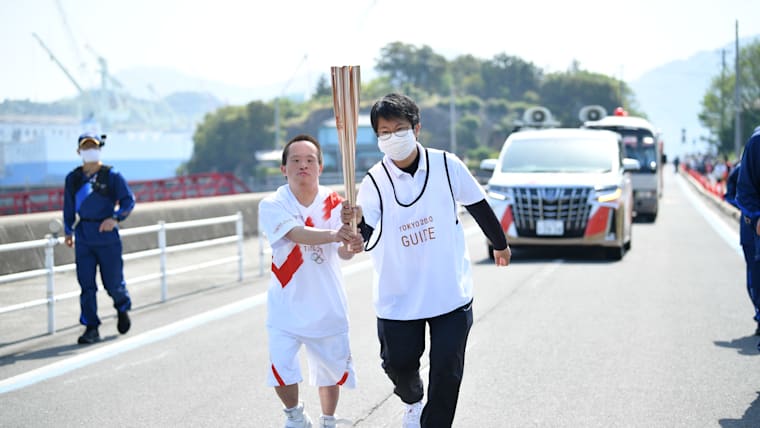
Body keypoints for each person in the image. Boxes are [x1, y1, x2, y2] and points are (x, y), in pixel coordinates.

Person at [344, 93, 511, 428]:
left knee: (447, 371)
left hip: (448, 291)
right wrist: (355, 228)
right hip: (399, 294)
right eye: (384, 132)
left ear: (416, 128)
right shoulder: (374, 181)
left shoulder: (447, 165)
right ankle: (412, 400)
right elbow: (366, 232)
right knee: (398, 365)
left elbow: (478, 204)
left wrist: (500, 244)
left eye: (399, 129)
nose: (392, 137)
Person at [258, 134, 364, 428]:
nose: (302, 165)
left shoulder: (336, 204)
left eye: (309, 160)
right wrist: (335, 235)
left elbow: (343, 252)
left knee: (330, 370)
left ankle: (328, 419)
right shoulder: (273, 204)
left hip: (326, 302)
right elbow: (295, 233)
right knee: (281, 366)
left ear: (320, 166)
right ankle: (295, 415)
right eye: (295, 160)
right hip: (286, 304)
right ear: (284, 169)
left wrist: (352, 242)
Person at [63, 132, 135, 345]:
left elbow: (128, 201)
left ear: (100, 148)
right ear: (79, 152)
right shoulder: (73, 178)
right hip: (84, 234)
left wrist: (115, 218)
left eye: (93, 146)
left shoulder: (112, 175)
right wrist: (68, 231)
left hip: (106, 235)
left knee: (112, 282)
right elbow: (68, 207)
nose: (89, 151)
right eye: (85, 147)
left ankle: (122, 307)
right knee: (86, 285)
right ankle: (91, 327)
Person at [736, 126, 760, 339]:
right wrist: (756, 216)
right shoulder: (756, 143)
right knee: (756, 273)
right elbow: (744, 189)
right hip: (756, 226)